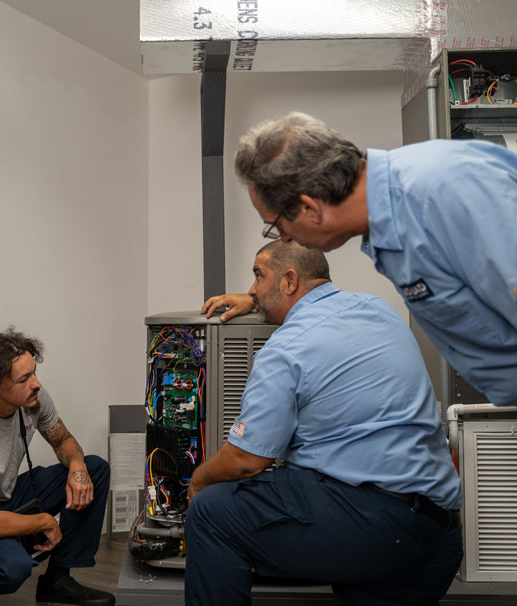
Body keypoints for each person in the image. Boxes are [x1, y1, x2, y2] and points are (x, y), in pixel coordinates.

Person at [184, 241, 463, 606]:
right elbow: (308, 299)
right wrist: (258, 301)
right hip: (437, 534)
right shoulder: (377, 309)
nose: (251, 289)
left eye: (257, 276)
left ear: (288, 281)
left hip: (374, 529)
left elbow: (245, 461)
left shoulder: (285, 350)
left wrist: (198, 481)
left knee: (212, 511)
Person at [233, 111, 517, 406]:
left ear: (309, 208)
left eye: (277, 225)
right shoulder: (388, 227)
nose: (285, 239)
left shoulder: (441, 193)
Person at [0, 329, 115, 606]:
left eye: (34, 372)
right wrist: (44, 521)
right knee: (12, 567)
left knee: (94, 469)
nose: (37, 383)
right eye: (24, 378)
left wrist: (78, 467)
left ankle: (57, 580)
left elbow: (63, 439)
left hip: (7, 495)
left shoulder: (33, 399)